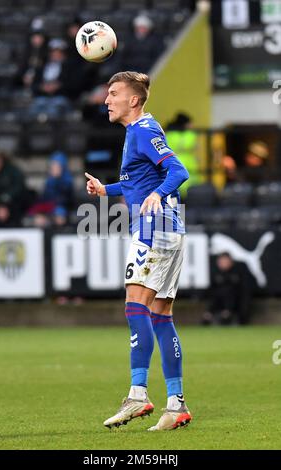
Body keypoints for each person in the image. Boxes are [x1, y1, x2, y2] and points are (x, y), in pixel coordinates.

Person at [85, 71, 191, 431]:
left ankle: (138, 395)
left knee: (135, 306)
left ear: (133, 99)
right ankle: (176, 404)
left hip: (153, 228)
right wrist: (106, 189)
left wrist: (158, 194)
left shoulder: (144, 130)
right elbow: (136, 180)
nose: (106, 100)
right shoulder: (138, 132)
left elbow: (178, 170)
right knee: (161, 314)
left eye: (113, 93)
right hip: (171, 230)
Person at [201, 252, 252, 326]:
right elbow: (210, 292)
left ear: (231, 262)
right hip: (217, 303)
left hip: (235, 304)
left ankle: (227, 313)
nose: (223, 264)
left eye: (225, 261)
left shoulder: (239, 272)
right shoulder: (214, 274)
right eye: (221, 262)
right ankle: (210, 314)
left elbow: (244, 291)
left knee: (229, 292)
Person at [166, 113, 202, 197]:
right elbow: (195, 145)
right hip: (188, 165)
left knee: (176, 199)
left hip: (173, 165)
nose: (192, 125)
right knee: (188, 197)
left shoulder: (169, 134)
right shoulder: (190, 135)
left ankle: (181, 209)